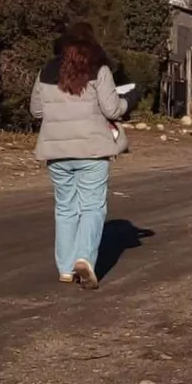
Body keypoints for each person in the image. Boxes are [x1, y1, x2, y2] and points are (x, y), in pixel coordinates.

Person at [30, 26, 137, 289]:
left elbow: (36, 111)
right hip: (92, 150)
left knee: (65, 208)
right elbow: (112, 108)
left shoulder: (46, 72)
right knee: (92, 206)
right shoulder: (99, 71)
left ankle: (65, 268)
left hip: (56, 152)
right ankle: (84, 259)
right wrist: (130, 99)